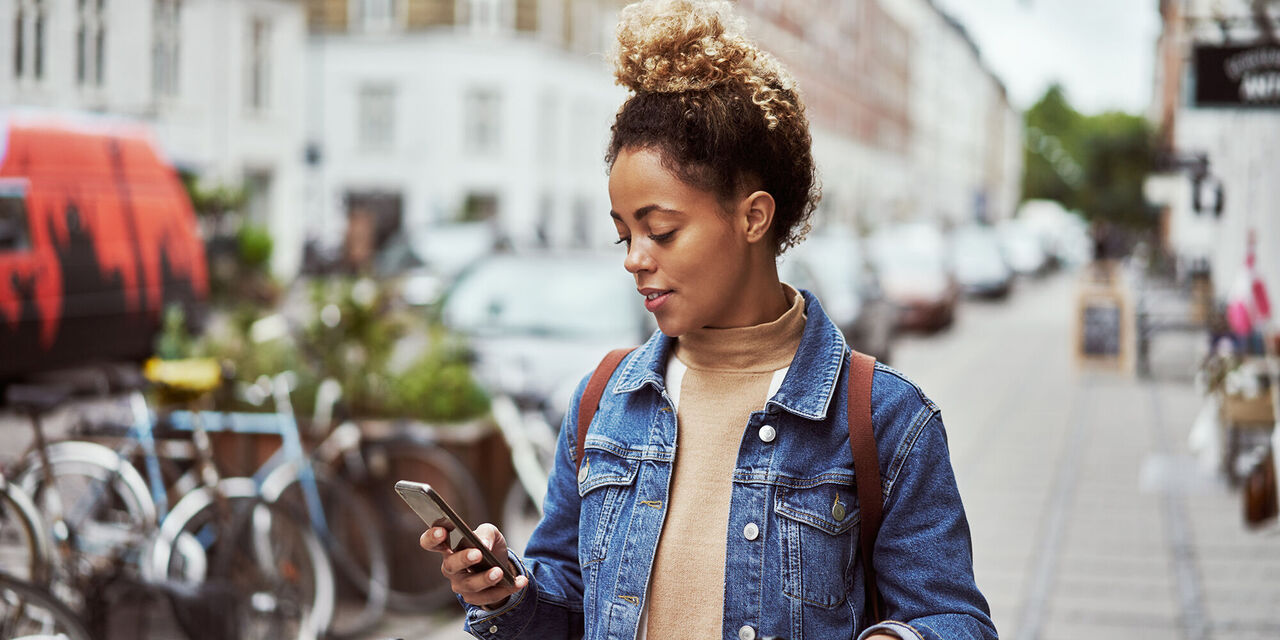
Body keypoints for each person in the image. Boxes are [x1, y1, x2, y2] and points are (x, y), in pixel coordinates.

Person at [419, 1, 997, 638]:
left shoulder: (884, 419)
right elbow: (567, 597)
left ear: (753, 217)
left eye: (661, 231)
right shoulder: (603, 402)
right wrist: (509, 593)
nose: (636, 260)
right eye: (624, 236)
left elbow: (954, 619)